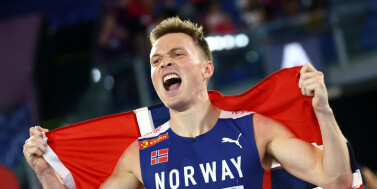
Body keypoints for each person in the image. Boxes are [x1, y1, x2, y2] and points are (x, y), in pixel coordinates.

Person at [23, 17, 353, 188]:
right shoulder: (140, 155)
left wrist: (323, 111)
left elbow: (335, 180)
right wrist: (45, 173)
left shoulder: (255, 129)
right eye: (156, 60)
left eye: (177, 54)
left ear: (206, 69)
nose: (164, 63)